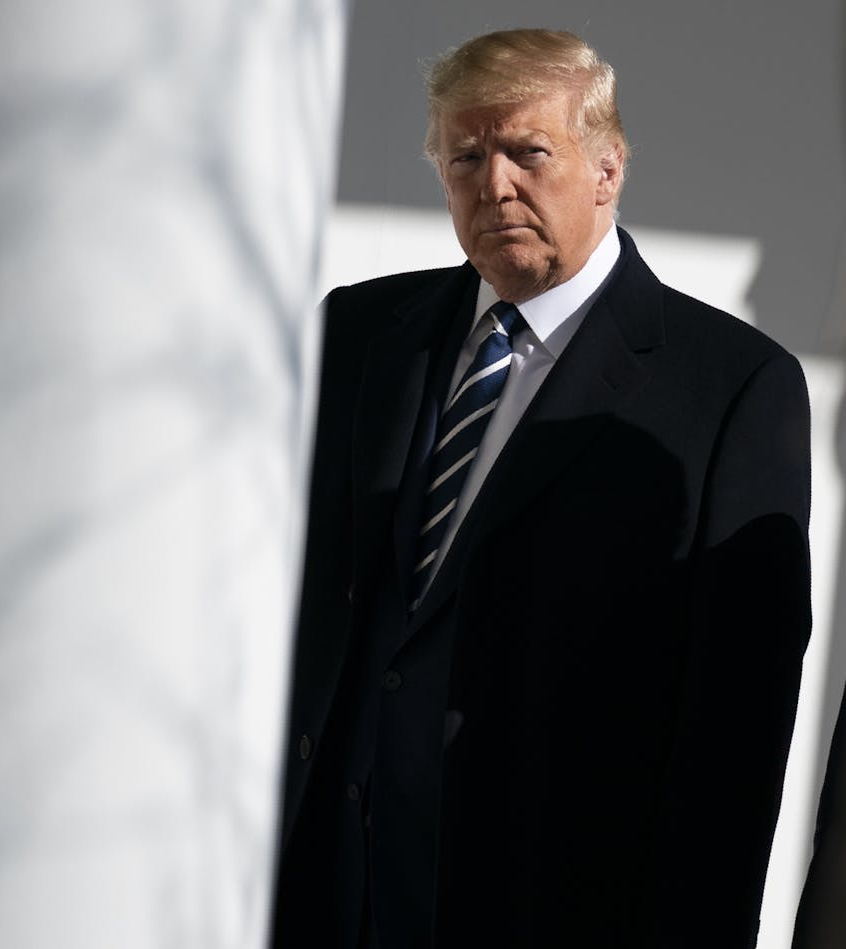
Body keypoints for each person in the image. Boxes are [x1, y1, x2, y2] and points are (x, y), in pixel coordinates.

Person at [272, 29, 810, 949]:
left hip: (548, 907)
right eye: (466, 157)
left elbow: (733, 730)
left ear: (607, 169)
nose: (495, 185)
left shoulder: (732, 387)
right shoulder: (361, 335)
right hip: (323, 897)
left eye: (528, 151)